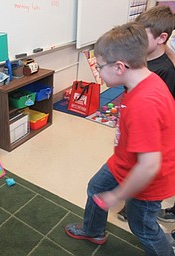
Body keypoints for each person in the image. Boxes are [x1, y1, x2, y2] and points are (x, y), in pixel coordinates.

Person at [64, 22, 175, 256]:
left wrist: (117, 195)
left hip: (148, 181)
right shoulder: (143, 81)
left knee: (143, 228)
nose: (97, 73)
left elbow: (149, 166)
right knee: (96, 187)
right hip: (123, 162)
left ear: (119, 67)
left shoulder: (144, 104)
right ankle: (93, 230)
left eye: (99, 66)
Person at [117, 5, 175, 221]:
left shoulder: (165, 71)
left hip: (151, 132)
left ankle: (134, 205)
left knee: (144, 165)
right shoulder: (142, 59)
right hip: (133, 123)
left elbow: (158, 115)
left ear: (161, 38)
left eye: (143, 36)